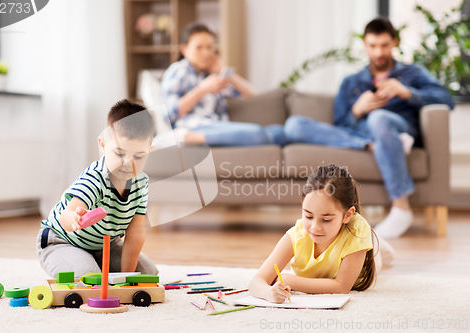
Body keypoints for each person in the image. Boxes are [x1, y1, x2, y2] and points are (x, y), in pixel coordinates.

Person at [284, 18, 455, 239]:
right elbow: (339, 128)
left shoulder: (413, 73)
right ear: (365, 45)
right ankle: (371, 145)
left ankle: (401, 206)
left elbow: (446, 100)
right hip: (359, 133)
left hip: (396, 125)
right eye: (373, 46)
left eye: (384, 45)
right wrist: (357, 109)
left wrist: (407, 93)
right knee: (295, 125)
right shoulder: (351, 82)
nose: (379, 52)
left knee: (379, 117)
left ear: (394, 42)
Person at [36, 99, 158, 278]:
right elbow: (66, 215)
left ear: (149, 151)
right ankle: (82, 265)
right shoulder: (95, 178)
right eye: (120, 153)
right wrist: (74, 218)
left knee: (148, 275)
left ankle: (97, 265)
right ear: (103, 145)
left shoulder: (141, 182)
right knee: (90, 278)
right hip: (63, 241)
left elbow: (136, 232)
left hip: (105, 247)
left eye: (138, 156)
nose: (127, 163)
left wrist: (127, 277)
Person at [249, 165, 386, 302]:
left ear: (347, 215)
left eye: (326, 219)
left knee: (378, 255)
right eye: (308, 216)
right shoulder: (297, 234)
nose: (315, 228)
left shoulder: (358, 233)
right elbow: (257, 281)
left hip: (364, 254)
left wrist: (289, 280)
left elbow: (342, 286)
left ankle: (379, 242)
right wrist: (268, 292)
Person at [161, 22, 287, 146]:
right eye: (199, 47)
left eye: (209, 47)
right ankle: (184, 138)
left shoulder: (212, 76)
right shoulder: (178, 70)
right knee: (259, 133)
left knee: (279, 132)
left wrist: (226, 72)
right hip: (193, 126)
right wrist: (202, 90)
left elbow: (253, 97)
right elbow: (168, 114)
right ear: (184, 49)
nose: (206, 53)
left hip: (218, 126)